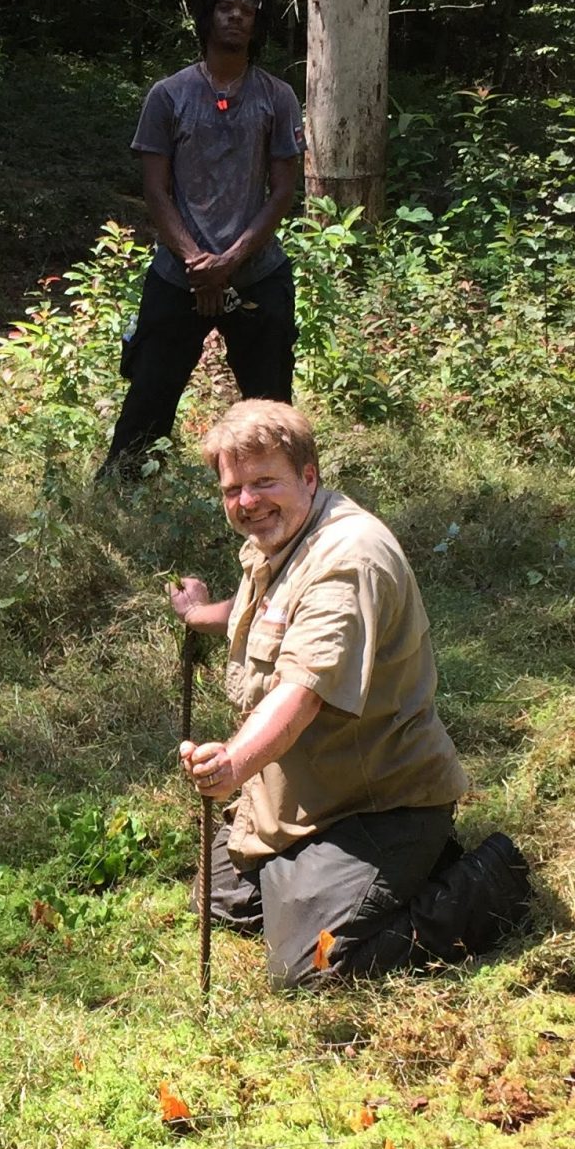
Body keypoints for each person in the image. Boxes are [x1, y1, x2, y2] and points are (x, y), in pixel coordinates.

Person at [168, 401, 528, 989]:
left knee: (311, 966)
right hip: (306, 795)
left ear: (308, 475)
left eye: (264, 482)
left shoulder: (347, 559)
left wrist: (233, 763)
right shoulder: (283, 535)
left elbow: (301, 693)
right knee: (220, 901)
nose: (247, 502)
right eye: (233, 489)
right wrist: (200, 614)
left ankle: (487, 883)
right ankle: (364, 878)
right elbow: (269, 613)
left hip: (378, 803)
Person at [99, 0, 306, 482]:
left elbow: (283, 191)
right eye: (225, 8)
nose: (236, 17)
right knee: (150, 388)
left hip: (257, 272)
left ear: (258, 26)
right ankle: (123, 486)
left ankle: (284, 491)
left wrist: (231, 261)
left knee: (272, 402)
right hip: (179, 272)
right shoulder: (168, 96)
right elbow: (155, 190)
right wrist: (197, 263)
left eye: (248, 12)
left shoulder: (277, 98)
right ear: (207, 17)